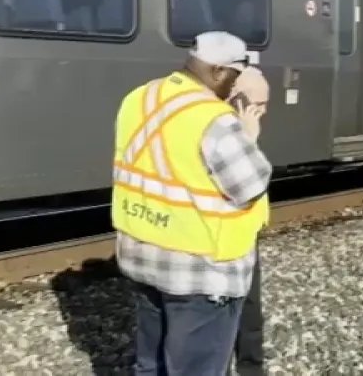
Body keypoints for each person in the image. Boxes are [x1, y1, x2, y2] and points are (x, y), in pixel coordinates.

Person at [112, 31, 272, 376]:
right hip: (200, 274)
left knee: (149, 366)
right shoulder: (213, 118)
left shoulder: (140, 97)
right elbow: (251, 184)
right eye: (234, 74)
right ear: (217, 71)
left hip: (143, 255)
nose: (235, 84)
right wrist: (249, 135)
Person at [227, 66, 271, 376]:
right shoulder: (220, 132)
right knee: (228, 313)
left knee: (250, 313)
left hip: (244, 233)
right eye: (260, 105)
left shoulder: (237, 128)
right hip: (222, 238)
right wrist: (250, 143)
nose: (264, 112)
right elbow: (244, 185)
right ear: (240, 101)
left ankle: (251, 369)